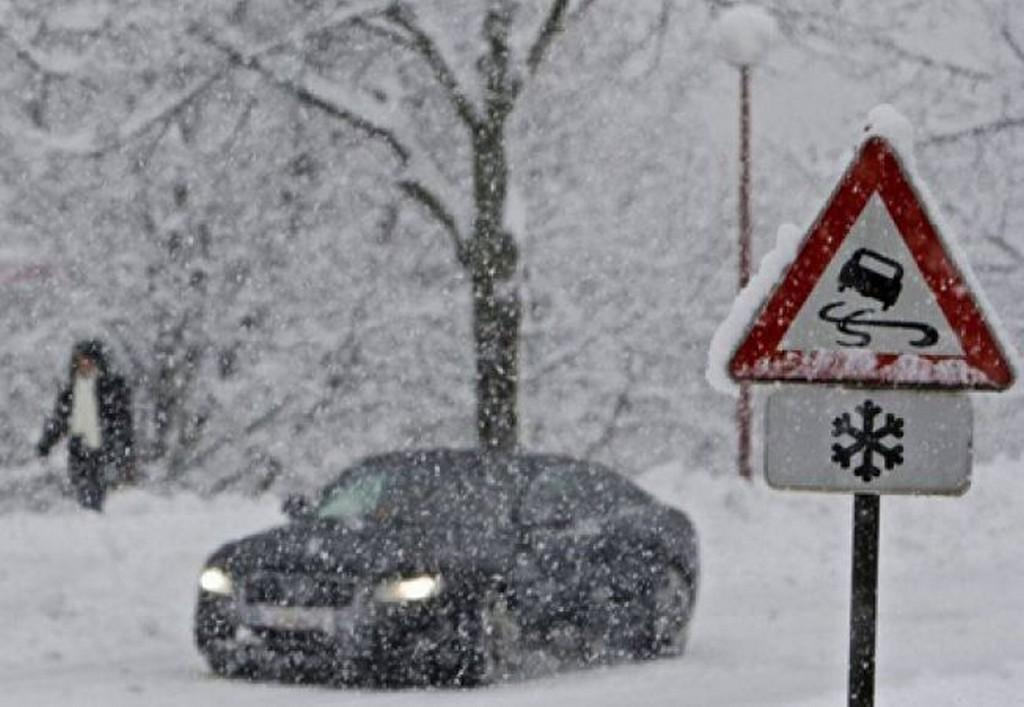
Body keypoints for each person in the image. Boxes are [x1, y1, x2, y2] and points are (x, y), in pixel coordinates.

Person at [37, 340, 135, 511]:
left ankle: (100, 522)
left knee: (103, 494)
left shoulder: (112, 388)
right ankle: (91, 521)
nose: (84, 366)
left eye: (88, 361)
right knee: (84, 493)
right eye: (80, 362)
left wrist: (125, 449)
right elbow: (60, 420)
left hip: (105, 449)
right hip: (79, 451)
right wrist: (46, 444)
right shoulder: (70, 391)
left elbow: (123, 420)